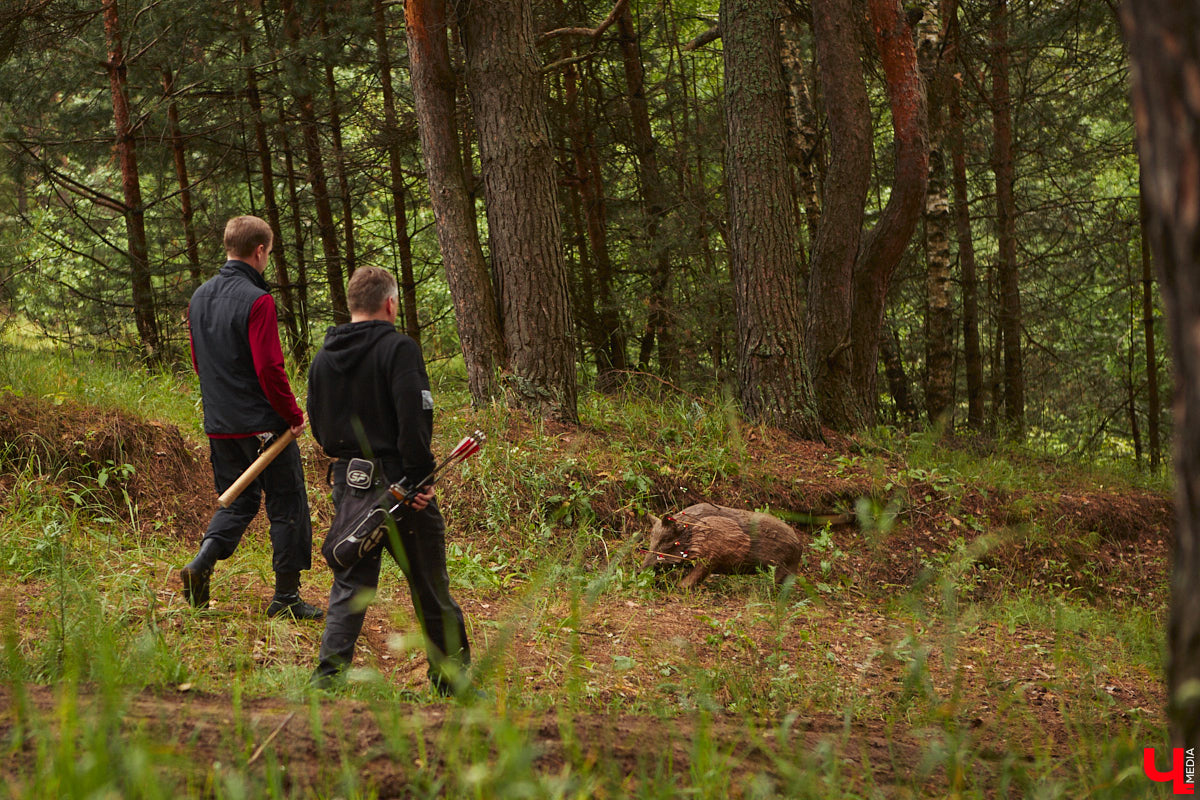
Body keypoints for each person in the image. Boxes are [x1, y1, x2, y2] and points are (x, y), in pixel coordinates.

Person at [307, 266, 470, 695]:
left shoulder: (324, 357)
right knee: (429, 584)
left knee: (351, 580)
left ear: (353, 304)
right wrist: (418, 479)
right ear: (390, 303)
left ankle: (327, 681)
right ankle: (452, 683)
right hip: (399, 481)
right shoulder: (399, 349)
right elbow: (413, 418)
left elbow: (320, 430)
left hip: (350, 478)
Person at [180, 215, 323, 621]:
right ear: (260, 251)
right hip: (263, 427)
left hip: (220, 424)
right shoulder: (258, 300)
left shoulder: (199, 297)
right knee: (288, 502)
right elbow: (269, 369)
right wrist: (293, 415)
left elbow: (198, 361)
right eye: (269, 254)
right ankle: (287, 599)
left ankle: (201, 563)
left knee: (237, 501)